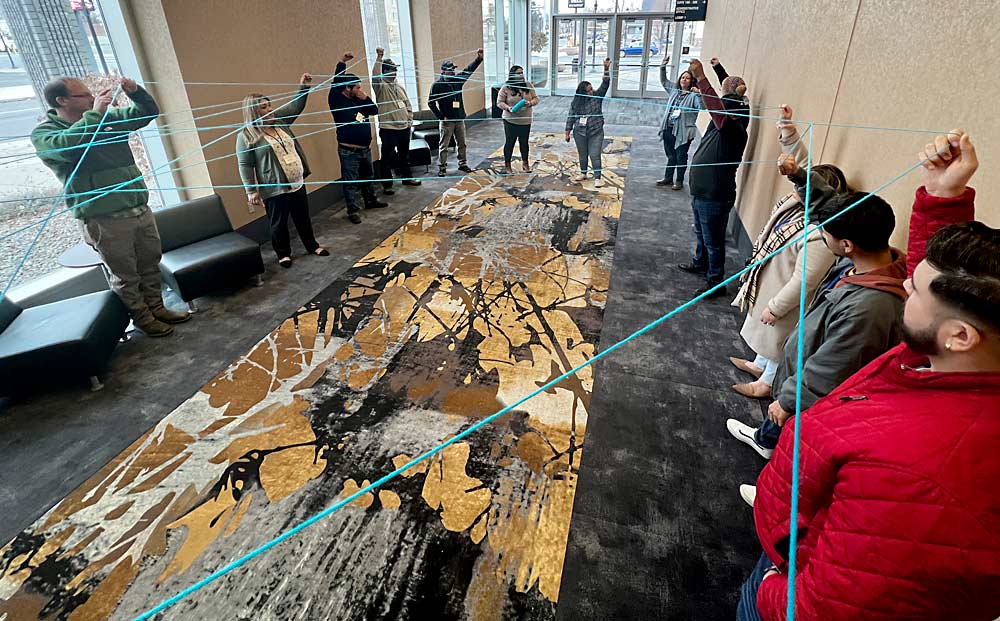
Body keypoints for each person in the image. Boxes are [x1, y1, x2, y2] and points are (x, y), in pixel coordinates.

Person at [739, 130, 1000, 621]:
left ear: (960, 336)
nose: (903, 284)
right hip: (797, 528)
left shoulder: (923, 476)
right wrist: (943, 200)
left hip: (790, 575)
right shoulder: (954, 362)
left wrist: (772, 587)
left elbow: (826, 606)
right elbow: (947, 294)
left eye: (916, 290)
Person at [727, 164, 906, 460]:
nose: (822, 237)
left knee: (798, 435)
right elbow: (827, 209)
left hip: (813, 392)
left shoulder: (868, 308)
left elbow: (830, 366)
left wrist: (787, 401)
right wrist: (799, 175)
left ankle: (774, 471)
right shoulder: (866, 258)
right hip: (805, 368)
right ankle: (768, 440)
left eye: (825, 235)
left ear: (846, 245)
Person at [31, 76, 189, 337]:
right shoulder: (45, 134)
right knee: (126, 276)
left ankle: (158, 308)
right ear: (61, 101)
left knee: (150, 264)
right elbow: (71, 146)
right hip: (104, 219)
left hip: (138, 208)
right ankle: (142, 319)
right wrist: (95, 115)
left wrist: (135, 92)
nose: (92, 97)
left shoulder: (106, 118)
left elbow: (146, 113)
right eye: (83, 95)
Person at [729, 106, 842, 399]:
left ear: (820, 194)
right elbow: (800, 165)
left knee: (778, 339)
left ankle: (766, 382)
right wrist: (787, 128)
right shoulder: (800, 203)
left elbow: (805, 280)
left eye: (805, 186)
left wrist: (777, 306)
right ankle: (759, 364)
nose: (797, 187)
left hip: (785, 295)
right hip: (771, 279)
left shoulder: (819, 231)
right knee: (766, 337)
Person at [677, 57, 750, 299]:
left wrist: (701, 77)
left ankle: (716, 281)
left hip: (715, 195)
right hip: (702, 191)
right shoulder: (731, 117)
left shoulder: (733, 128)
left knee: (714, 240)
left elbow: (718, 108)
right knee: (701, 233)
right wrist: (719, 69)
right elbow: (726, 94)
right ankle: (701, 263)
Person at [237, 74, 328, 268]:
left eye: (269, 105)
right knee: (278, 223)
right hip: (274, 188)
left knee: (303, 217)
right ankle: (283, 253)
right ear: (253, 111)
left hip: (297, 182)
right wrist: (250, 190)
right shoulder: (246, 136)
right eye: (263, 107)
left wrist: (304, 86)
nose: (269, 109)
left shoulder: (280, 121)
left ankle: (312, 245)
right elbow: (245, 164)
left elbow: (296, 106)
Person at [329, 51, 388, 225]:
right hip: (349, 150)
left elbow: (375, 110)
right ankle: (352, 210)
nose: (360, 90)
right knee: (351, 182)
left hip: (365, 149)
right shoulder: (336, 100)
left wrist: (365, 98)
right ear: (347, 87)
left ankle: (370, 200)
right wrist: (342, 62)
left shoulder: (359, 100)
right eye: (357, 87)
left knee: (368, 176)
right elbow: (336, 82)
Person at [428, 49, 484, 177]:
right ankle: (442, 167)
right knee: (444, 145)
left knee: (462, 143)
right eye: (450, 70)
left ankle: (462, 163)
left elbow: (468, 71)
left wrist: (478, 59)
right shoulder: (437, 85)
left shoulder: (457, 80)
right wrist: (441, 117)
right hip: (447, 122)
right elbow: (431, 103)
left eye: (453, 69)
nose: (452, 71)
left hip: (459, 119)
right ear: (443, 71)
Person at [371, 46, 420, 191]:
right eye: (392, 69)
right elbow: (374, 76)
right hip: (389, 130)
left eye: (396, 68)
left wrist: (409, 120)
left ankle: (407, 179)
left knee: (404, 156)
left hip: (404, 128)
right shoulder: (381, 87)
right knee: (387, 158)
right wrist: (379, 57)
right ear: (385, 71)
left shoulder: (399, 86)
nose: (395, 71)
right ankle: (387, 185)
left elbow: (407, 104)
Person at [656, 56, 702, 190]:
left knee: (681, 156)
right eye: (682, 77)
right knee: (670, 155)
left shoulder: (693, 96)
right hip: (668, 128)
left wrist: (699, 94)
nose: (684, 79)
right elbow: (663, 81)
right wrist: (663, 66)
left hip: (683, 132)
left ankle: (679, 181)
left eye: (687, 78)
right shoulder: (674, 91)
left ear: (691, 81)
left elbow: (701, 107)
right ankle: (668, 178)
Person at [565, 58, 611, 187]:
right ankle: (583, 173)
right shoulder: (576, 102)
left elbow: (605, 84)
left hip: (596, 131)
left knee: (595, 154)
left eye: (591, 89)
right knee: (583, 154)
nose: (592, 91)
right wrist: (567, 132)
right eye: (589, 90)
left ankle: (597, 177)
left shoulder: (597, 97)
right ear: (582, 92)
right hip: (579, 132)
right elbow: (571, 117)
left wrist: (606, 69)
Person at [497, 65, 540, 174]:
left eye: (522, 73)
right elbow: (499, 102)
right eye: (518, 73)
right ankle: (507, 165)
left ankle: (525, 163)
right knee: (510, 142)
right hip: (510, 120)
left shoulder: (528, 85)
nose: (521, 75)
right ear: (512, 75)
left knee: (524, 142)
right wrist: (508, 108)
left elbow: (536, 98)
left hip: (525, 120)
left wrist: (530, 103)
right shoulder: (506, 87)